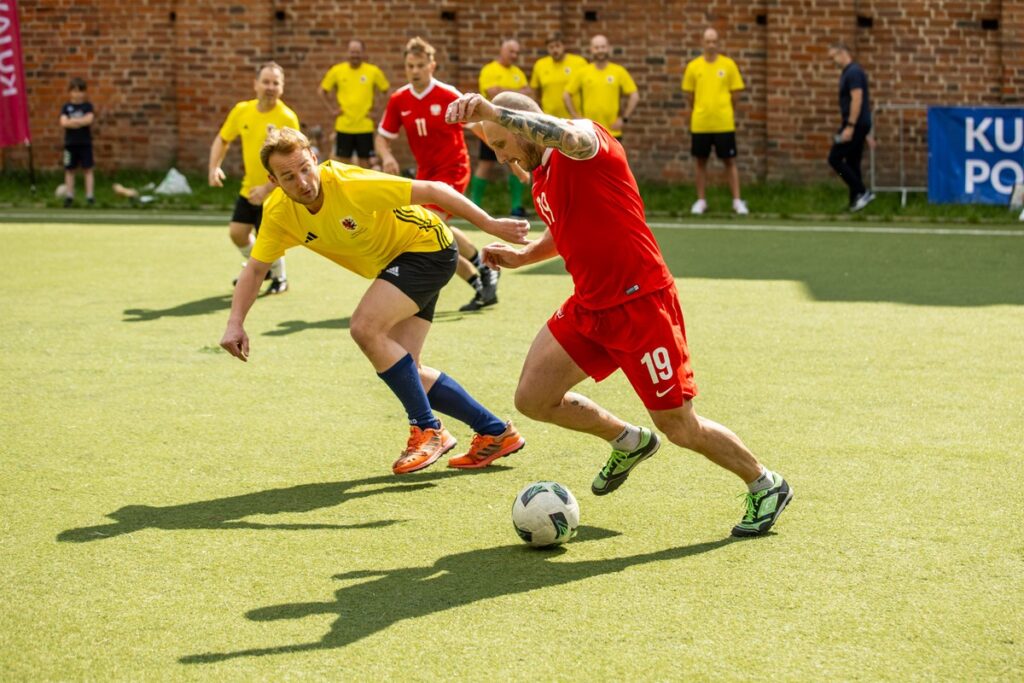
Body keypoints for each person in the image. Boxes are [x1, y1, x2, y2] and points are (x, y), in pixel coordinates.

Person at [445, 91, 792, 537]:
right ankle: (627, 440)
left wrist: (493, 113)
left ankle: (765, 483)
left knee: (680, 427)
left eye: (501, 143)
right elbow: (567, 227)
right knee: (533, 398)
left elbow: (567, 133)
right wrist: (523, 256)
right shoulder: (539, 174)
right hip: (590, 305)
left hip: (641, 305)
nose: (501, 155)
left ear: (522, 125)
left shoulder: (587, 142)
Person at [220, 127, 531, 474]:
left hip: (427, 248)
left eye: (306, 169)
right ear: (273, 180)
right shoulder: (279, 213)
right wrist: (235, 322)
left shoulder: (348, 183)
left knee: (365, 327)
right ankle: (494, 432)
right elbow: (255, 269)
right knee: (407, 369)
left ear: (315, 159)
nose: (303, 182)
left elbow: (434, 190)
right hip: (401, 262)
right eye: (289, 177)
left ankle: (428, 430)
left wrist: (490, 224)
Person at [376, 37, 502, 312]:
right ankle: (481, 279)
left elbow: (479, 128)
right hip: (426, 174)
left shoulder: (446, 94)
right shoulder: (399, 99)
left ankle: (481, 269)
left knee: (429, 227)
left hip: (453, 168)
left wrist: (508, 158)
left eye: (421, 65)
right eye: (410, 65)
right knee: (432, 233)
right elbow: (382, 138)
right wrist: (386, 157)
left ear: (432, 65)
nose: (415, 71)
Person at [209, 62, 298, 295]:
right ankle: (262, 268)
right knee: (237, 232)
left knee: (268, 236)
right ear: (255, 84)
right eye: (266, 82)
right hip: (249, 188)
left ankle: (281, 278)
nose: (270, 87)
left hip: (276, 190)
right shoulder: (241, 111)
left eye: (275, 83)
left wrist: (268, 188)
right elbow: (222, 139)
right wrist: (214, 167)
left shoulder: (287, 117)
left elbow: (295, 163)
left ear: (282, 87)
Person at [682, 28, 749, 216]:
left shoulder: (728, 65)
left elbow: (736, 93)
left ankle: (737, 201)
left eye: (714, 41)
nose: (711, 44)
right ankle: (701, 201)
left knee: (730, 161)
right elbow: (690, 95)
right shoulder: (693, 67)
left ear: (718, 43)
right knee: (700, 162)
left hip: (724, 123)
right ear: (702, 43)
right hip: (701, 123)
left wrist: (725, 109)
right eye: (708, 41)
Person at [472, 39, 532, 218]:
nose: (514, 56)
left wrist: (504, 90)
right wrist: (516, 92)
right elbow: (492, 94)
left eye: (517, 53)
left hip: (514, 125)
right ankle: (474, 205)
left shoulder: (518, 73)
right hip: (492, 125)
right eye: (511, 51)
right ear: (502, 50)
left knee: (518, 161)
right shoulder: (489, 69)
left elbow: (529, 94)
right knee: (486, 163)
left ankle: (516, 206)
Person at [320, 40, 390, 169]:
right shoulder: (337, 70)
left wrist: (376, 112)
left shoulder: (373, 71)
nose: (355, 55)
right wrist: (333, 110)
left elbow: (386, 91)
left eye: (358, 52)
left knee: (365, 165)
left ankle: (362, 189)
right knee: (343, 165)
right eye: (352, 52)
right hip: (343, 126)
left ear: (363, 53)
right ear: (348, 53)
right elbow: (322, 91)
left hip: (365, 126)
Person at [563, 35, 638, 142]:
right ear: (591, 49)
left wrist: (624, 118)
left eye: (603, 47)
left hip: (612, 132)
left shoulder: (618, 71)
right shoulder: (583, 72)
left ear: (608, 48)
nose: (600, 50)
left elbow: (634, 95)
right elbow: (566, 95)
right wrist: (576, 117)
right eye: (596, 47)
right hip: (589, 131)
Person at [827, 43, 874, 212]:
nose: (833, 62)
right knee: (853, 163)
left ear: (842, 53)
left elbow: (857, 99)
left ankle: (862, 191)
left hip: (854, 123)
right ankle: (855, 200)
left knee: (835, 159)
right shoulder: (849, 73)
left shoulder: (853, 72)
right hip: (859, 124)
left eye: (833, 57)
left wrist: (851, 126)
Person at [529, 33, 588, 119]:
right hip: (549, 119)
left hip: (574, 119)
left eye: (557, 46)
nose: (555, 50)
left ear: (563, 46)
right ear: (547, 49)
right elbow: (534, 92)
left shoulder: (579, 63)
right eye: (551, 47)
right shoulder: (540, 65)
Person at [59, 77, 95, 208]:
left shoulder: (87, 106)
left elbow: (89, 120)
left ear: (84, 93)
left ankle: (90, 196)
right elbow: (63, 122)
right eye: (74, 91)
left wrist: (73, 122)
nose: (77, 94)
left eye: (80, 91)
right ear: (70, 92)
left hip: (85, 143)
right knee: (69, 170)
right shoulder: (66, 107)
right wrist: (79, 122)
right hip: (70, 144)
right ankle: (69, 196)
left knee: (88, 169)